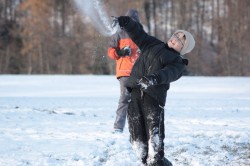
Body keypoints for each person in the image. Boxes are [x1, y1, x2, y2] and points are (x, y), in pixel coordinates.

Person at [116, 16, 195, 165]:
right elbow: (139, 34)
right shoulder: (152, 44)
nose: (175, 39)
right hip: (135, 93)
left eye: (180, 40)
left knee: (154, 138)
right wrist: (127, 22)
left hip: (153, 98)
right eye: (175, 35)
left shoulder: (178, 62)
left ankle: (157, 161)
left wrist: (153, 79)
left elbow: (168, 74)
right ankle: (145, 159)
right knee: (137, 138)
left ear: (183, 48)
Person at [107, 9, 141, 133]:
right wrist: (120, 52)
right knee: (124, 99)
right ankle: (118, 127)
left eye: (134, 21)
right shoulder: (119, 33)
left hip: (139, 73)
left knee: (139, 101)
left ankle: (137, 128)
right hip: (125, 73)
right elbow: (110, 51)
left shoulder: (141, 34)